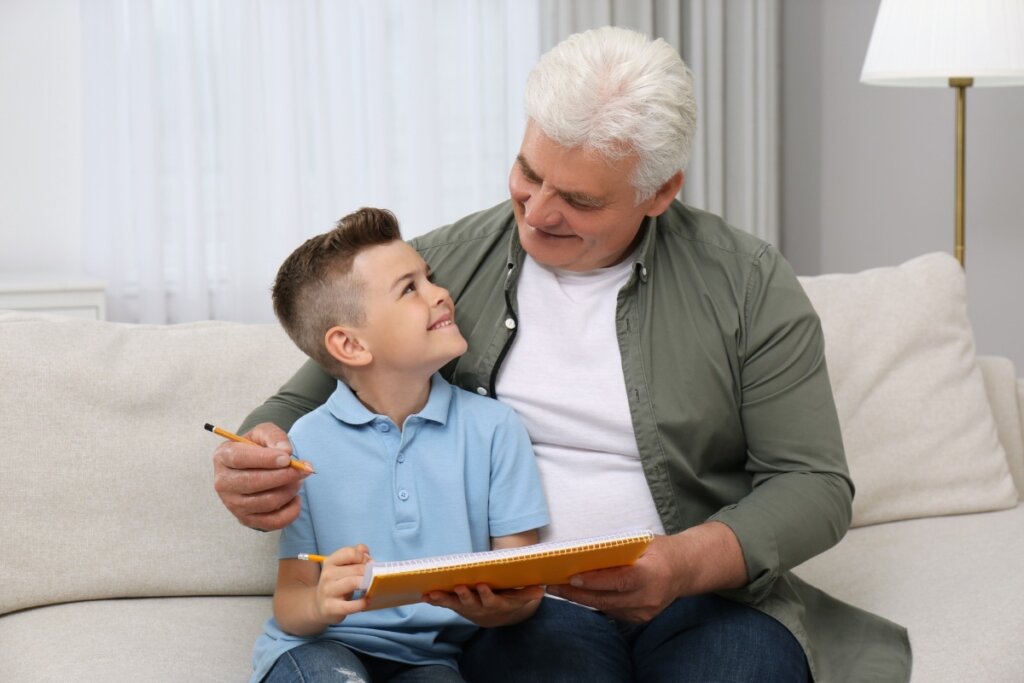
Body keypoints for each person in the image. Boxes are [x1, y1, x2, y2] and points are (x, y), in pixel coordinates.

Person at [215, 26, 911, 683]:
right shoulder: (448, 264)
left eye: (578, 199)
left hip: (706, 599)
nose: (538, 211)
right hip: (531, 611)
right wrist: (258, 453)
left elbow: (815, 485)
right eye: (528, 171)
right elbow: (309, 394)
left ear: (660, 192)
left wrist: (683, 563)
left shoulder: (746, 281)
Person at [249, 207, 550, 683]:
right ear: (350, 345)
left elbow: (523, 592)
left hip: (430, 661)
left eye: (428, 279)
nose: (441, 294)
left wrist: (497, 609)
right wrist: (321, 603)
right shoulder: (305, 443)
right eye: (410, 289)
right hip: (320, 648)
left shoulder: (495, 430)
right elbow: (290, 606)